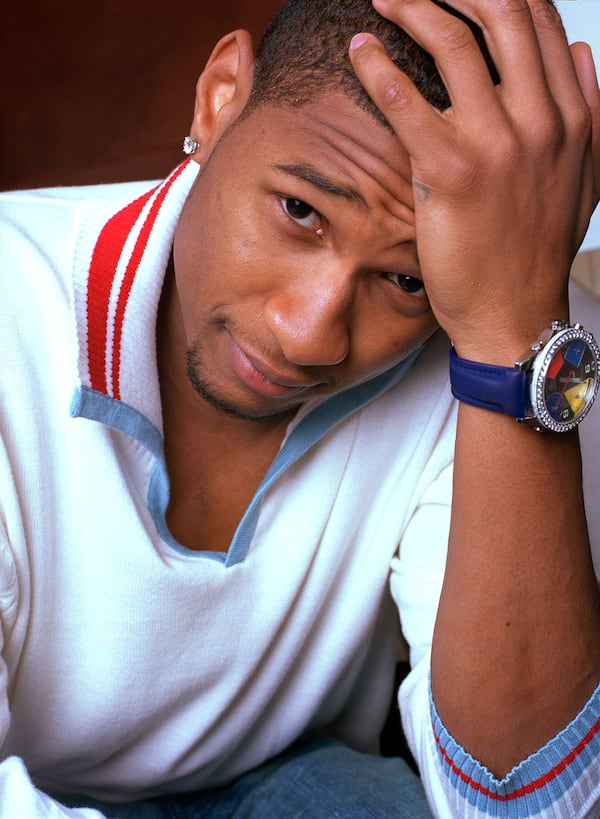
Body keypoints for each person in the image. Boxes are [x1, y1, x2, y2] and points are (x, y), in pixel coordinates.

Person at [0, 0, 599, 816]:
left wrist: (510, 341)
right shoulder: (11, 307)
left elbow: (525, 805)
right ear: (219, 99)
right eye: (300, 211)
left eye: (406, 279)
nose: (310, 333)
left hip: (293, 775)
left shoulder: (522, 354)